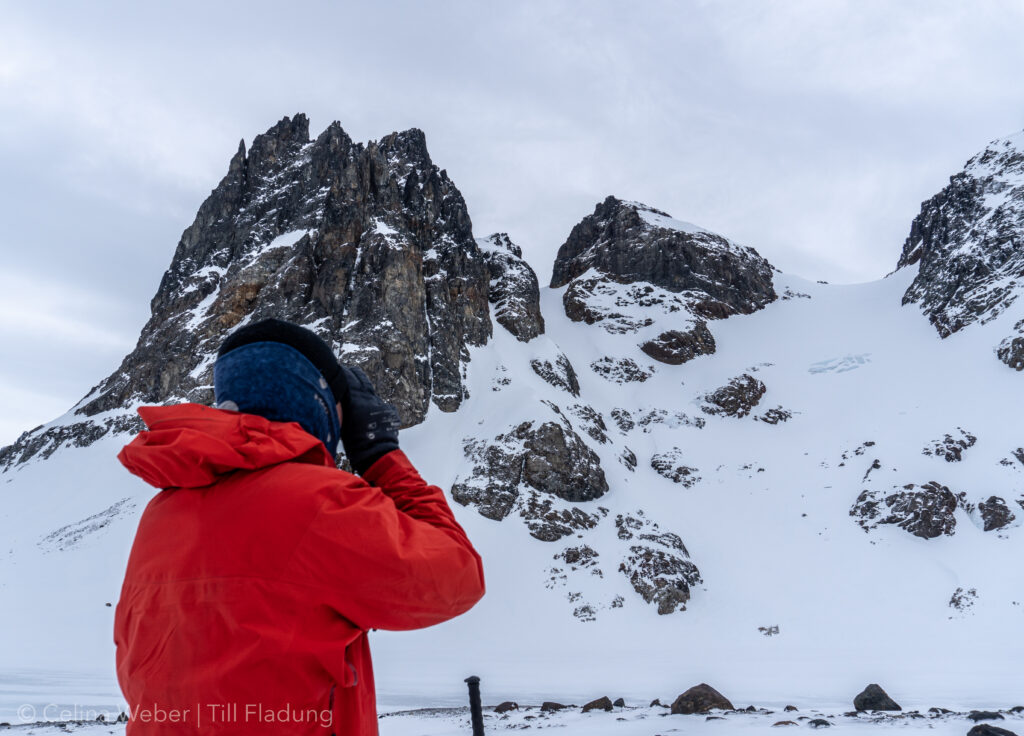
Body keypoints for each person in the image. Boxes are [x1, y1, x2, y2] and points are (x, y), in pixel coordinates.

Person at [113, 318, 486, 735]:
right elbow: (457, 576)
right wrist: (381, 455)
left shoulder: (161, 513)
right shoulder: (318, 503)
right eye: (344, 409)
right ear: (316, 402)